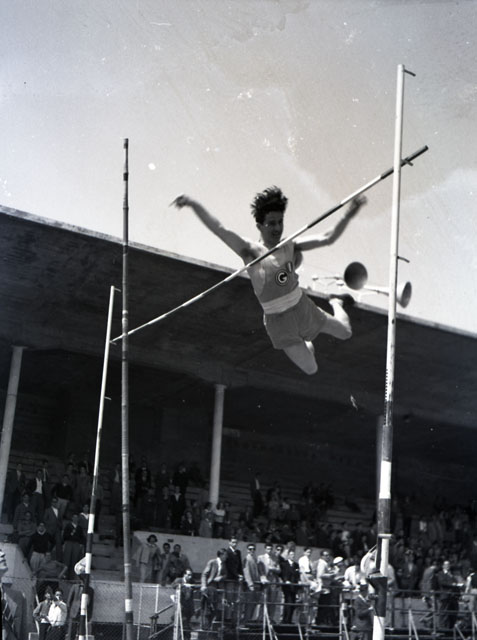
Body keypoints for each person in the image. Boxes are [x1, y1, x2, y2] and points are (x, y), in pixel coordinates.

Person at [173, 189, 366, 374]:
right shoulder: (250, 251)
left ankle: (336, 302)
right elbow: (219, 229)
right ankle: (306, 341)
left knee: (346, 332)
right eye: (271, 223)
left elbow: (327, 238)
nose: (277, 228)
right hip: (278, 322)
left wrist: (348, 215)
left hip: (302, 307)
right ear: (259, 226)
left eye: (280, 222)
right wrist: (192, 203)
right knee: (311, 369)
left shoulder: (290, 244)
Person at [201, 549, 226, 630]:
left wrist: (221, 577)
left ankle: (213, 626)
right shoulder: (212, 562)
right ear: (221, 555)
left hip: (219, 587)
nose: (226, 557)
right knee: (208, 606)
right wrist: (204, 585)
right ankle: (206, 626)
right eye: (225, 555)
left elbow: (225, 574)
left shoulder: (224, 564)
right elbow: (204, 574)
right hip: (210, 586)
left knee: (217, 607)